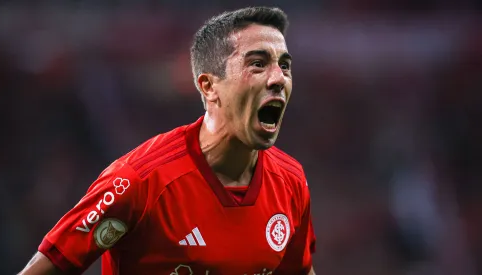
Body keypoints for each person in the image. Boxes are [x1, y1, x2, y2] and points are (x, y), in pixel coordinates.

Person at [19, 6, 316, 275]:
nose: (279, 78)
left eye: (285, 65)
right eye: (258, 63)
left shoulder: (291, 182)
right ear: (209, 86)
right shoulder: (139, 181)